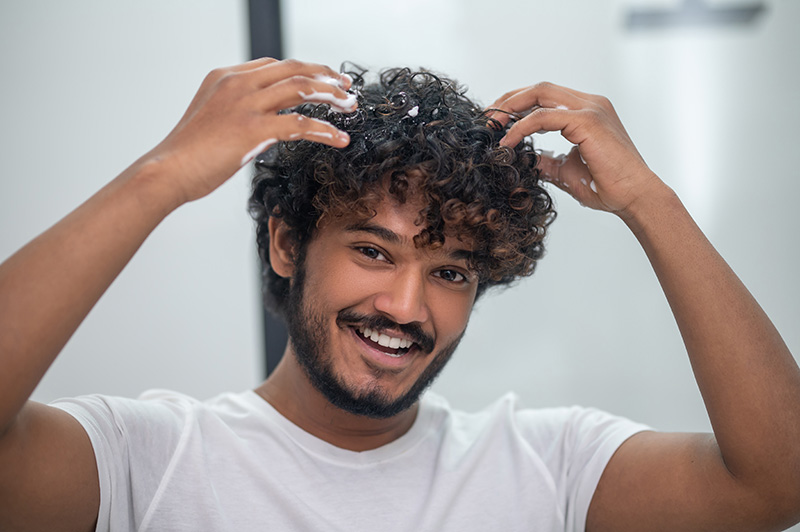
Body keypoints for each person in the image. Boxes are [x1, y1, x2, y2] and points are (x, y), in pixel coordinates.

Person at [0, 57, 798, 532]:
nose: (407, 308)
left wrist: (649, 199)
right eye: (373, 250)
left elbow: (777, 482)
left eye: (451, 271)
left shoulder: (546, 469)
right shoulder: (147, 462)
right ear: (286, 243)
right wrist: (161, 177)